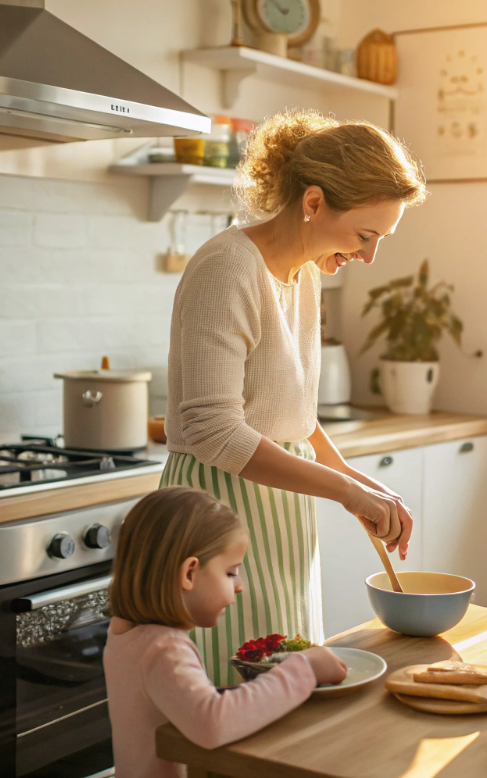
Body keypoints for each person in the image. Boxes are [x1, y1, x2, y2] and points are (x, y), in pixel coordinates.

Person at [163, 109, 428, 683]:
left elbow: (295, 416)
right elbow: (214, 431)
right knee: (235, 701)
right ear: (312, 204)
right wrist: (345, 493)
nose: (369, 256)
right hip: (218, 514)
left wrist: (361, 484)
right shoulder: (226, 269)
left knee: (284, 689)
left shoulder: (306, 275)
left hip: (280, 515)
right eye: (365, 236)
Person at [105, 487, 348, 778]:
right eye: (231, 572)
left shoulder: (125, 632)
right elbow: (212, 723)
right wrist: (304, 668)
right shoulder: (164, 649)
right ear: (189, 574)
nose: (239, 585)